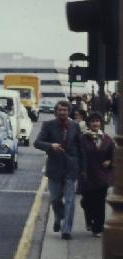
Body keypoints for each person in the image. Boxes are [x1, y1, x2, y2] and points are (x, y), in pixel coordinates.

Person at [34, 100, 86, 240]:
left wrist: (83, 168)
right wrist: (51, 146)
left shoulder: (75, 126)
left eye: (65, 110)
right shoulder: (48, 125)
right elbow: (37, 143)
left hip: (71, 168)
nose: (62, 112)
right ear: (56, 112)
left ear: (69, 112)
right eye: (60, 110)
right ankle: (59, 217)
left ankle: (66, 230)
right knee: (55, 199)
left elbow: (81, 148)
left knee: (70, 200)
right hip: (55, 168)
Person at [78, 111, 114, 237]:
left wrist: (110, 161)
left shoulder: (107, 138)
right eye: (93, 121)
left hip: (102, 176)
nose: (95, 123)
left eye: (97, 121)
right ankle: (89, 219)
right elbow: (78, 156)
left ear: (101, 123)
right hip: (87, 175)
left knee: (100, 203)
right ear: (88, 124)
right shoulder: (82, 139)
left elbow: (114, 154)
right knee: (87, 202)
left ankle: (98, 228)